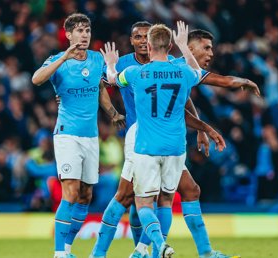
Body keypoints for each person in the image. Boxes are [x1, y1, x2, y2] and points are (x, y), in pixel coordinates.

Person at [91, 23, 255, 258]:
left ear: (150, 43)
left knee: (176, 194)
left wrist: (109, 64)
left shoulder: (136, 72)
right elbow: (209, 77)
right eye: (207, 48)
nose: (210, 54)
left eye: (144, 37)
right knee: (138, 197)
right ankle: (118, 253)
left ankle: (157, 251)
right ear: (172, 45)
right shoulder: (183, 69)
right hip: (167, 142)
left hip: (146, 141)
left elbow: (111, 79)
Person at [31, 13, 125, 258]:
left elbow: (101, 88)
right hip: (67, 135)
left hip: (91, 137)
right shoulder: (57, 60)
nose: (84, 35)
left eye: (87, 30)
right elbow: (36, 79)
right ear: (69, 35)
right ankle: (59, 253)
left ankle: (68, 249)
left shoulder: (96, 59)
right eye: (79, 31)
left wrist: (114, 113)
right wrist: (64, 57)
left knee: (85, 195)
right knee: (70, 192)